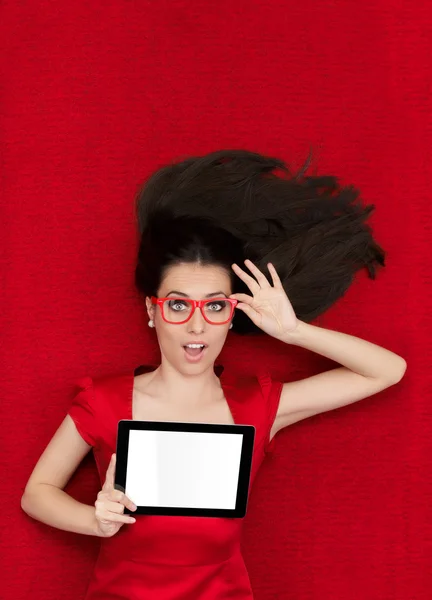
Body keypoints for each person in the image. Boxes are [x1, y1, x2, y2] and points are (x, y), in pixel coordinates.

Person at [21, 149, 407, 599]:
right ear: (153, 310)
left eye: (216, 305)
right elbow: (37, 493)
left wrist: (294, 330)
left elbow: (386, 371)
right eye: (179, 304)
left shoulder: (258, 406)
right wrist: (95, 519)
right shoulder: (104, 401)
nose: (197, 325)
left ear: (232, 311)